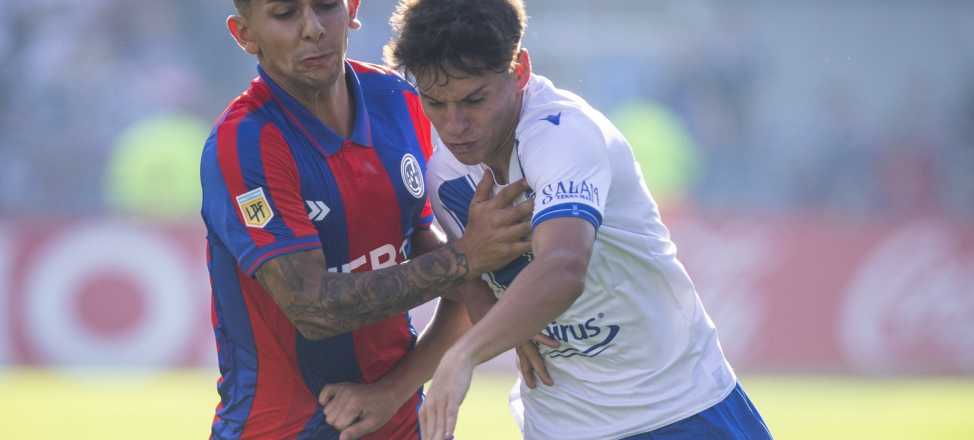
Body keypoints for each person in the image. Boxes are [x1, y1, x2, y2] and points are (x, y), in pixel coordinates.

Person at [383, 1, 775, 439]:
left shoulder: (564, 133)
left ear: (520, 70)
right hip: (560, 422)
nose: (454, 125)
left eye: (474, 99)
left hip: (677, 406)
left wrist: (464, 356)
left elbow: (564, 266)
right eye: (435, 103)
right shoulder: (446, 178)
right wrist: (500, 321)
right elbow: (472, 278)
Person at [199, 1, 541, 439]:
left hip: (398, 423)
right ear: (245, 34)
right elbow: (313, 307)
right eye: (285, 14)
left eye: (326, 6)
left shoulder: (396, 98)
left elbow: (438, 254)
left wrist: (395, 390)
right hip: (279, 429)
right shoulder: (245, 143)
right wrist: (466, 258)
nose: (313, 29)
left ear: (352, 9)